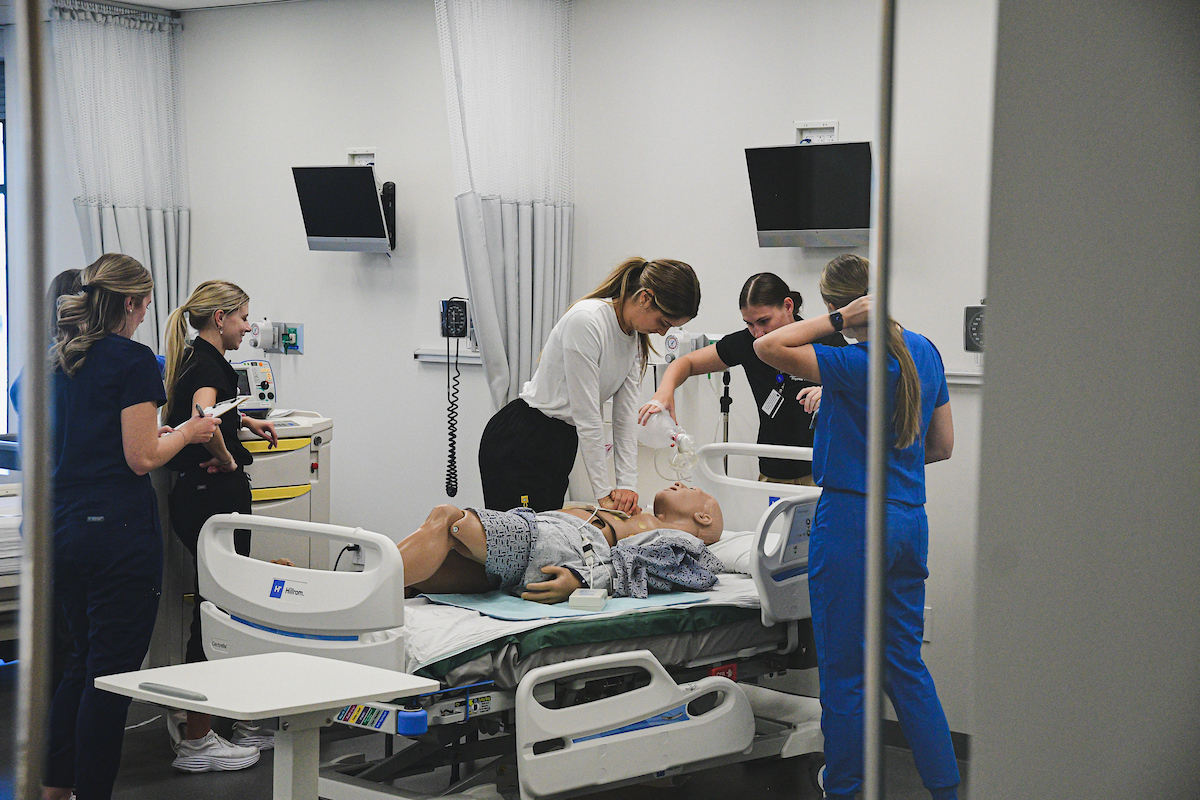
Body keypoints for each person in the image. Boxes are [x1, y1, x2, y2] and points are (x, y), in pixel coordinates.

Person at [752, 254, 958, 800]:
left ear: (833, 306)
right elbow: (941, 446)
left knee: (845, 676)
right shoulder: (925, 352)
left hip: (851, 523)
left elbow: (768, 347)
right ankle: (947, 790)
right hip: (909, 521)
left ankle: (843, 790)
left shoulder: (854, 360)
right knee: (906, 670)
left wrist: (841, 322)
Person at [43, 254, 221, 800]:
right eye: (144, 304)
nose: (146, 315)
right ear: (129, 302)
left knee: (79, 664)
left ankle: (53, 789)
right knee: (111, 675)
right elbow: (142, 456)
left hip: (63, 525)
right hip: (115, 532)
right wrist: (189, 433)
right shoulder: (131, 359)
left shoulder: (60, 358)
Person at [160, 280, 278, 771]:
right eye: (244, 318)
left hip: (196, 498)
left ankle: (216, 719)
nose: (249, 327)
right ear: (221, 318)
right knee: (219, 610)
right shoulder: (208, 364)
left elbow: (213, 408)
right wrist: (228, 458)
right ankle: (198, 738)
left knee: (221, 605)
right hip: (213, 496)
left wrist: (245, 422)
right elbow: (201, 415)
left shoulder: (195, 357)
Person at [478, 257, 701, 515]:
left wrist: (627, 485)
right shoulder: (587, 321)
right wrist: (603, 494)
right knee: (516, 542)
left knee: (546, 539)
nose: (663, 333)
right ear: (645, 297)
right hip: (523, 439)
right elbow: (588, 416)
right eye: (664, 322)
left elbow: (625, 417)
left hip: (561, 441)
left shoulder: (633, 339)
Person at [639, 272, 845, 485]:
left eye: (764, 321)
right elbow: (686, 363)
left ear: (788, 306)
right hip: (773, 470)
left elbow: (865, 387)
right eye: (750, 324)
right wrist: (664, 391)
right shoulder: (748, 344)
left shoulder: (826, 341)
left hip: (823, 470)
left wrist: (829, 391)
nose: (758, 333)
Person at [398, 482, 724, 603]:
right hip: (540, 544)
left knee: (446, 520)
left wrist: (583, 582)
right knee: (422, 579)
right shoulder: (643, 520)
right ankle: (377, 593)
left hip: (549, 541)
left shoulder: (680, 543)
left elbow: (651, 571)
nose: (680, 483)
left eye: (691, 490)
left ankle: (363, 592)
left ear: (703, 519)